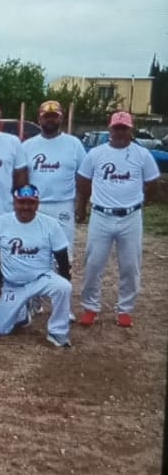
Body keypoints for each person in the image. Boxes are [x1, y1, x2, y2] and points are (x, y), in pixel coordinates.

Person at [75, 111, 160, 328]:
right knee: (93, 263)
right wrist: (82, 208)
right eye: (117, 128)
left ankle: (125, 309)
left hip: (130, 216)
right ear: (110, 129)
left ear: (130, 129)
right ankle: (90, 307)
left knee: (130, 265)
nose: (120, 132)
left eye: (124, 128)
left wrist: (142, 201)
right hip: (102, 214)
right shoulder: (96, 154)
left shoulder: (142, 154)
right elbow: (83, 181)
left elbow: (152, 182)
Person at [0, 184, 73, 347]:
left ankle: (57, 331)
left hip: (40, 278)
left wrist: (65, 278)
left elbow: (61, 255)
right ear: (14, 202)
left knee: (63, 287)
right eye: (21, 202)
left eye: (31, 202)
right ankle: (22, 314)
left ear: (37, 203)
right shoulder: (2, 221)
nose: (26, 207)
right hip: (13, 284)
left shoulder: (50, 224)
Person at [22, 100, 87, 257]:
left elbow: (83, 178)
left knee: (63, 253)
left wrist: (81, 205)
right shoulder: (27, 146)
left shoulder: (74, 144)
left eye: (54, 116)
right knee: (35, 251)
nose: (50, 120)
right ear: (39, 119)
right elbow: (21, 178)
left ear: (61, 118)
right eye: (46, 116)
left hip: (63, 205)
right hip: (35, 205)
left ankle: (62, 281)